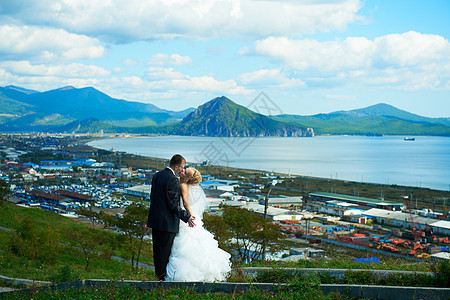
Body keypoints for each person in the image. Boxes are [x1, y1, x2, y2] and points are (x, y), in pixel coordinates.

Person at [165, 167, 231, 282]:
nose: (182, 170)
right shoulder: (184, 184)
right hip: (186, 217)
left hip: (186, 218)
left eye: (185, 172)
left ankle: (186, 275)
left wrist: (190, 217)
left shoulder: (183, 186)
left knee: (186, 246)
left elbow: (186, 203)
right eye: (184, 169)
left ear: (187, 178)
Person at [147, 154, 196, 281]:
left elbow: (153, 197)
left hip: (155, 220)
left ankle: (158, 276)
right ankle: (162, 280)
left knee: (157, 251)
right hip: (167, 223)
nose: (182, 170)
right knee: (164, 252)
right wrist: (187, 217)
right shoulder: (172, 180)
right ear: (176, 166)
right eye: (182, 167)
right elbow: (173, 204)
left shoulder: (157, 175)